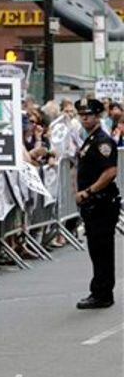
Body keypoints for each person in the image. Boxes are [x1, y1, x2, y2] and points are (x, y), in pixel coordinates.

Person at [73, 98, 120, 309]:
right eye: (81, 115)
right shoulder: (89, 139)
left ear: (98, 116)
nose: (84, 118)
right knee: (97, 249)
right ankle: (101, 290)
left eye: (89, 114)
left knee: (101, 249)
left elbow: (110, 171)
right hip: (94, 204)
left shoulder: (102, 141)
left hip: (101, 202)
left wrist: (89, 191)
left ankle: (102, 293)